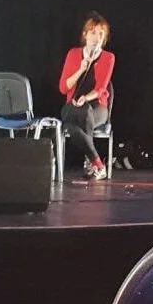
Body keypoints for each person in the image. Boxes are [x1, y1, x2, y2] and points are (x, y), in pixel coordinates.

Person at [58, 12, 116, 180]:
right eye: (93, 33)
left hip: (97, 107)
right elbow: (63, 88)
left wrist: (86, 98)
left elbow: (101, 88)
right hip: (72, 106)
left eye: (101, 34)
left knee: (72, 125)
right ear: (85, 35)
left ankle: (93, 162)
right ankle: (97, 164)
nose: (97, 38)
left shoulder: (108, 58)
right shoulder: (73, 54)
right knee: (75, 116)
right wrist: (81, 69)